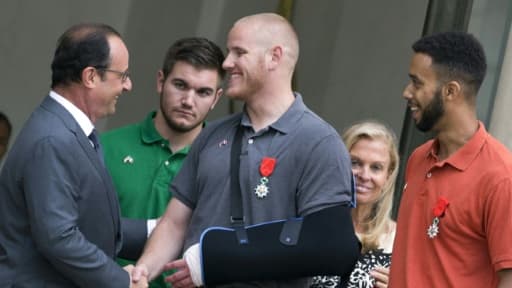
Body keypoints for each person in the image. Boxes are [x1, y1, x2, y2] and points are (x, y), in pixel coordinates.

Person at [131, 13, 357, 287]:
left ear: (274, 57)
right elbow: (175, 224)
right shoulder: (212, 134)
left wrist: (218, 263)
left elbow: (328, 245)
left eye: (239, 52)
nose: (227, 63)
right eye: (229, 52)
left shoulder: (319, 142)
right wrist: (142, 270)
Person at [0, 23, 148, 288]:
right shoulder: (53, 139)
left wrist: (157, 229)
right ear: (90, 76)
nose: (128, 85)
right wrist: (121, 281)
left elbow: (86, 220)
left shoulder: (70, 130)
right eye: (122, 75)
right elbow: (59, 237)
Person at [389, 31, 512, 287]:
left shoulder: (501, 177)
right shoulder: (419, 158)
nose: (406, 92)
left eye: (417, 83)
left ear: (450, 91)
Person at [101, 37, 225, 288]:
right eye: (180, 85)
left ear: (216, 98)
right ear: (161, 81)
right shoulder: (104, 147)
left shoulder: (226, 162)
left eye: (203, 92)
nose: (188, 101)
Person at [311, 121, 399, 288]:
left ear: (388, 175)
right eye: (355, 163)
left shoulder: (399, 241)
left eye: (376, 167)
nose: (364, 175)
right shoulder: (311, 226)